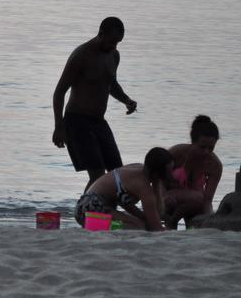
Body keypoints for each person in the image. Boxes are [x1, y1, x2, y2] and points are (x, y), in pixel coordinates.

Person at [52, 17, 138, 190]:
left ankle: (102, 213)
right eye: (112, 41)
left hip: (99, 121)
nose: (114, 46)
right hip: (77, 121)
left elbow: (110, 84)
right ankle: (84, 212)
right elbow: (59, 92)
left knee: (116, 174)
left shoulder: (114, 55)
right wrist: (59, 127)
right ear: (101, 34)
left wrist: (126, 100)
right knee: (98, 175)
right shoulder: (81, 55)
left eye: (118, 42)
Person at [75, 147, 175, 231]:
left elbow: (153, 216)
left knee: (139, 223)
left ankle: (98, 227)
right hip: (90, 208)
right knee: (138, 226)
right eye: (169, 171)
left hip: (84, 206)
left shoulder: (139, 169)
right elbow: (156, 227)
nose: (172, 175)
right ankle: (96, 227)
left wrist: (157, 184)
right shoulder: (143, 186)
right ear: (157, 173)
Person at [163, 115, 223, 229]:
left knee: (198, 210)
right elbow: (158, 180)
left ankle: (178, 219)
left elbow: (208, 200)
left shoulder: (215, 165)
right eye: (202, 147)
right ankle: (171, 222)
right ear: (192, 142)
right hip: (168, 199)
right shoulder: (176, 153)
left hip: (194, 204)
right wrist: (163, 198)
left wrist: (209, 220)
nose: (206, 152)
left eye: (211, 148)